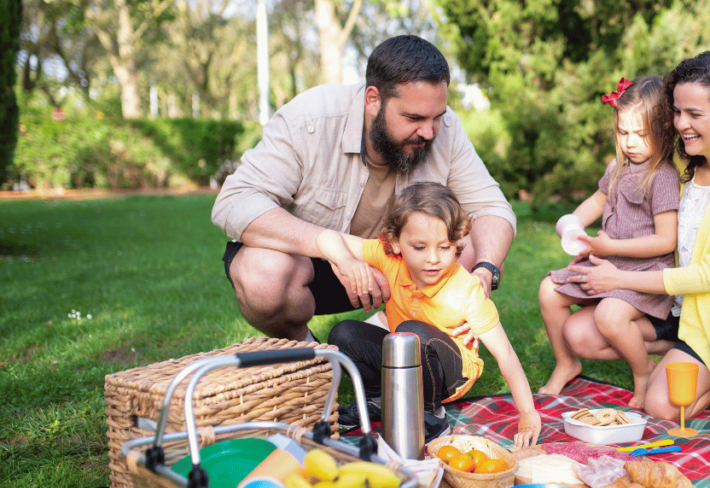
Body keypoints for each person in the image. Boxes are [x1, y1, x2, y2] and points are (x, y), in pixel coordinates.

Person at [211, 35, 515, 343]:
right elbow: (234, 201)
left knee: (479, 241)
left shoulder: (446, 130)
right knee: (261, 274)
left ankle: (394, 338)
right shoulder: (310, 118)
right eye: (414, 118)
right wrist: (327, 244)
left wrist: (485, 271)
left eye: (437, 117)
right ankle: (309, 352)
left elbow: (492, 209)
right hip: (316, 265)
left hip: (402, 265)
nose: (428, 132)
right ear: (373, 100)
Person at [565, 51, 710, 421]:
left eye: (694, 114)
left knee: (663, 406)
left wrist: (617, 278)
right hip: (677, 307)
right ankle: (676, 354)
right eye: (677, 112)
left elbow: (709, 275)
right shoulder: (685, 162)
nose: (680, 124)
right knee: (579, 334)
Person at [317, 182, 541, 447]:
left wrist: (528, 414)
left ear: (457, 244)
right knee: (343, 333)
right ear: (397, 243)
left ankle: (431, 415)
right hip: (407, 357)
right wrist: (346, 260)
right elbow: (325, 238)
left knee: (413, 332)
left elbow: (505, 353)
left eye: (444, 247)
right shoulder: (389, 258)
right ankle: (377, 399)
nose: (433, 259)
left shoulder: (465, 289)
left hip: (449, 375)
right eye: (420, 247)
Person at [537, 76, 680, 409]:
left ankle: (643, 370)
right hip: (607, 259)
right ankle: (566, 363)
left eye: (641, 134)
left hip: (644, 270)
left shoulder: (663, 176)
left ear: (663, 131)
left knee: (610, 316)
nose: (631, 142)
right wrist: (573, 223)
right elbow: (599, 200)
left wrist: (609, 248)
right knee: (548, 291)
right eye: (623, 132)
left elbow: (665, 239)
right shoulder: (618, 166)